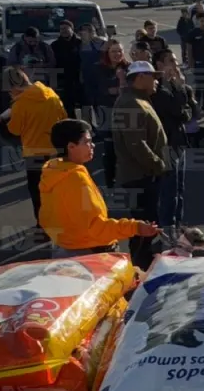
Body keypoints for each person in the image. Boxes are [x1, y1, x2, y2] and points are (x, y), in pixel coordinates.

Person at [39, 118, 159, 258]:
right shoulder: (75, 179)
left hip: (66, 248)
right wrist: (135, 227)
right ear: (71, 147)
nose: (93, 145)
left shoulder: (53, 172)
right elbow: (95, 227)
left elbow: (46, 217)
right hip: (91, 254)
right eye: (87, 142)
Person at [112, 61, 169, 269]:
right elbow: (136, 143)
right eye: (152, 76)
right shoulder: (130, 103)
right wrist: (158, 165)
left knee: (147, 225)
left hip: (145, 174)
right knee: (143, 228)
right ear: (139, 78)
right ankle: (140, 270)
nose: (156, 80)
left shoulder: (139, 100)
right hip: (140, 176)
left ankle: (144, 266)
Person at [0, 67, 67, 222]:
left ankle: (44, 226)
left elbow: (14, 130)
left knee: (38, 193)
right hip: (56, 150)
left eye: (9, 91)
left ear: (14, 87)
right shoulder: (51, 94)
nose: (10, 94)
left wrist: (3, 122)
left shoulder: (21, 105)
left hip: (35, 154)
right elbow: (64, 117)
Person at [150, 49, 197, 234]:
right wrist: (179, 90)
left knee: (179, 190)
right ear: (160, 65)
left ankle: (178, 225)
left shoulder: (177, 86)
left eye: (176, 61)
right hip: (167, 145)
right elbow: (179, 112)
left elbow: (191, 112)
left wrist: (181, 88)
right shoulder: (158, 89)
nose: (176, 65)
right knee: (169, 192)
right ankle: (167, 230)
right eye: (171, 61)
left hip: (179, 143)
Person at [90, 39, 127, 187]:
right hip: (106, 112)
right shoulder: (99, 69)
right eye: (113, 51)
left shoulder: (128, 68)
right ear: (107, 53)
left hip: (126, 112)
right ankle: (110, 181)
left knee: (126, 148)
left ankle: (126, 179)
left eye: (119, 51)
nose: (117, 54)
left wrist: (119, 87)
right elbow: (100, 91)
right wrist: (118, 87)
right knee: (110, 148)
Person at [50, 21, 82, 117]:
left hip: (79, 78)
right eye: (61, 29)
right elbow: (52, 64)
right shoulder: (55, 45)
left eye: (66, 28)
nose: (63, 31)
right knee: (67, 105)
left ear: (72, 29)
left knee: (84, 105)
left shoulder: (80, 43)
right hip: (63, 79)